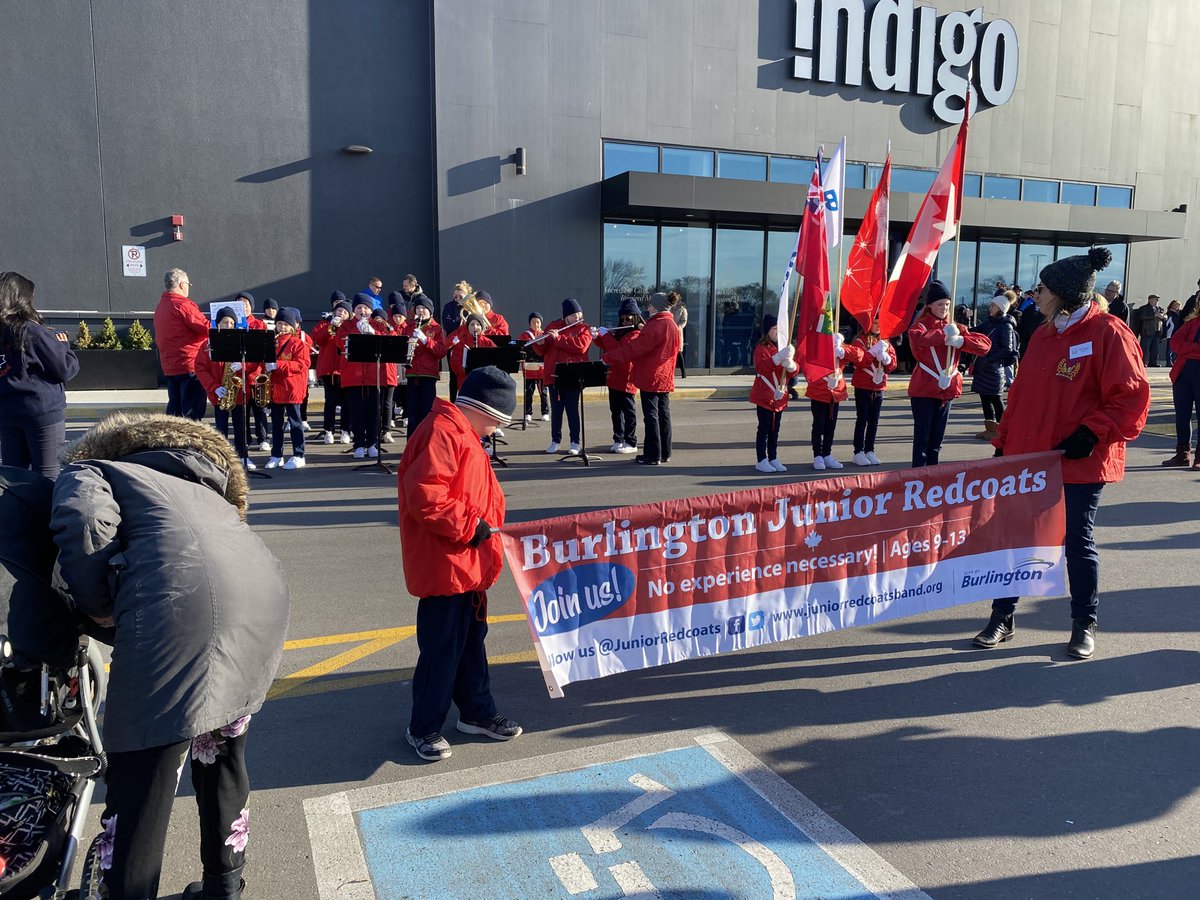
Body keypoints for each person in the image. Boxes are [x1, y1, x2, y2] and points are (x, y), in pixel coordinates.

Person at [50, 411, 290, 899]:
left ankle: (125, 892)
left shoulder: (94, 468)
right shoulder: (206, 489)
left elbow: (83, 520)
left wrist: (98, 608)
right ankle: (224, 887)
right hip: (262, 606)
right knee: (220, 750)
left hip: (177, 612)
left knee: (143, 773)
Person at [974, 246, 1150, 659]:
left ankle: (1084, 621)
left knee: (1076, 541)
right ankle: (1003, 616)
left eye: (1044, 288)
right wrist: (1004, 445)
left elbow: (1131, 396)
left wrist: (1093, 432)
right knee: (1017, 538)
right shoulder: (1043, 333)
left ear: (1066, 294)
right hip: (1030, 461)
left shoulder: (1109, 332)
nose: (1037, 294)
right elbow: (1019, 398)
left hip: (1080, 462)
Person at [397, 366, 522, 762]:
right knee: (441, 650)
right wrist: (473, 528)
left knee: (470, 645)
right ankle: (423, 727)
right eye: (496, 422)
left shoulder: (458, 431)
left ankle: (477, 713)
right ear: (481, 410)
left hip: (465, 562)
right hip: (447, 563)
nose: (495, 431)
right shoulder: (443, 432)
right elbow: (426, 498)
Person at [0, 271, 79, 479]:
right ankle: (44, 513)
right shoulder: (30, 331)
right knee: (47, 475)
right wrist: (63, 344)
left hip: (7, 412)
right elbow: (65, 368)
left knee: (11, 476)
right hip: (41, 413)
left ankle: (14, 511)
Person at [907, 280, 991, 467]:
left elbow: (985, 346)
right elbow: (918, 339)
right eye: (940, 304)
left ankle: (934, 475)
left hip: (946, 390)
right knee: (922, 438)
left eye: (947, 304)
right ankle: (918, 475)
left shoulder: (956, 328)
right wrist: (943, 335)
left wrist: (962, 341)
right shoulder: (921, 325)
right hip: (924, 389)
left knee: (937, 440)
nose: (944, 308)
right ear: (929, 305)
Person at [601, 292, 681, 466]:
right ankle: (665, 452)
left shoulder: (656, 325)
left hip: (651, 376)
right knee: (663, 415)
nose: (648, 307)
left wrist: (608, 357)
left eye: (651, 304)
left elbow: (634, 349)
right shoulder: (672, 325)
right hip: (665, 376)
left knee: (651, 416)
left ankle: (652, 454)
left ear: (657, 306)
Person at [195, 306, 258, 469]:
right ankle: (221, 460)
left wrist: (244, 365)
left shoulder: (241, 341)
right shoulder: (208, 343)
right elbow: (200, 368)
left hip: (238, 391)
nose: (228, 325)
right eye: (224, 322)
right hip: (219, 392)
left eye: (231, 322)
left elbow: (256, 363)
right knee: (221, 429)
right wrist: (214, 387)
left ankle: (243, 456)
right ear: (218, 324)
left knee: (241, 428)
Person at [337, 295, 392, 458]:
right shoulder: (345, 326)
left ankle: (373, 443)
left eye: (365, 308)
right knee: (357, 412)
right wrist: (357, 331)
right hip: (353, 377)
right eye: (359, 307)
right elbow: (339, 343)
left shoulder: (379, 325)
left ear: (371, 310)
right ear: (353, 310)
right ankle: (359, 444)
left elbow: (390, 341)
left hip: (375, 377)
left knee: (374, 412)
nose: (362, 311)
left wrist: (373, 332)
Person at [154, 268, 211, 420]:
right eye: (188, 284)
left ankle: (172, 442)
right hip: (189, 365)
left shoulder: (161, 306)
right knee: (191, 413)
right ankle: (188, 443)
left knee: (175, 411)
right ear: (181, 284)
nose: (188, 287)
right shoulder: (182, 305)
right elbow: (206, 328)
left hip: (170, 366)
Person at [538, 298, 592, 455]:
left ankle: (575, 442)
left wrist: (559, 339)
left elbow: (581, 347)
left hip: (573, 375)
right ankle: (555, 441)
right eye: (574, 315)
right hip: (554, 375)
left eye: (579, 314)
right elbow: (542, 351)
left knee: (572, 409)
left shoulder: (584, 328)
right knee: (556, 410)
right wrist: (539, 343)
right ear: (566, 316)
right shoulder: (553, 326)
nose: (577, 318)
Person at [844, 315, 896, 466]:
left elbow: (893, 365)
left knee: (874, 421)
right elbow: (858, 361)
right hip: (864, 385)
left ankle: (869, 450)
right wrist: (872, 353)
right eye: (874, 322)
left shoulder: (885, 341)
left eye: (880, 323)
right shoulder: (859, 341)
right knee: (862, 420)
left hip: (878, 386)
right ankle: (858, 451)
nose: (877, 326)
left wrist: (886, 359)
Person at [593, 298, 644, 454]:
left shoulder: (636, 334)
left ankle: (631, 441)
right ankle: (618, 438)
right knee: (615, 410)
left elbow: (619, 350)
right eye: (622, 317)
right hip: (614, 376)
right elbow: (609, 349)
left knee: (628, 411)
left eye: (628, 317)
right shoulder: (621, 332)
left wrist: (606, 336)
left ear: (635, 317)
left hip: (627, 377)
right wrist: (598, 338)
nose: (625, 320)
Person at [748, 314, 797, 472]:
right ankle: (761, 459)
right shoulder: (761, 349)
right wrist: (777, 358)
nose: (777, 332)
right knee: (764, 428)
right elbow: (762, 367)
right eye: (774, 329)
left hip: (779, 396)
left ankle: (773, 457)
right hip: (765, 395)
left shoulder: (783, 348)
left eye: (778, 329)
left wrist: (791, 366)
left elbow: (792, 373)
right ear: (767, 331)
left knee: (775, 430)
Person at [264, 308, 309, 469]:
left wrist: (279, 365)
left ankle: (299, 455)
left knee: (295, 423)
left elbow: (303, 364)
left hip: (291, 389)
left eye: (285, 324)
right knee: (276, 424)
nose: (282, 327)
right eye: (279, 323)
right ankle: (277, 455)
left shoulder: (298, 343)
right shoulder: (271, 343)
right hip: (276, 389)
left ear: (292, 327)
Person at [971, 293, 1020, 441]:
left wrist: (990, 359)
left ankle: (1002, 430)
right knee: (984, 399)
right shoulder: (990, 323)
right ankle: (990, 429)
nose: (990, 307)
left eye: (993, 305)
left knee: (996, 399)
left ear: (1000, 308)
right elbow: (974, 331)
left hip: (994, 369)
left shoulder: (1005, 326)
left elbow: (1007, 349)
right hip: (983, 368)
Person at [401, 295, 446, 437]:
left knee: (427, 410)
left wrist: (426, 340)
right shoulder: (409, 327)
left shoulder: (437, 329)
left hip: (428, 374)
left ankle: (426, 443)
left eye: (423, 308)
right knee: (412, 410)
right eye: (418, 308)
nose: (420, 311)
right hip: (412, 373)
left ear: (430, 312)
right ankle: (412, 444)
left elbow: (441, 352)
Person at [1162, 302, 1200, 469]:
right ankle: (1182, 453)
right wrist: (1194, 348)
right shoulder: (1192, 322)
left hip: (1193, 372)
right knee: (1182, 416)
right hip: (1183, 374)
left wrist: (1187, 349)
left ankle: (1199, 457)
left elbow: (1180, 345)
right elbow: (1175, 343)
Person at [804, 335, 849, 471]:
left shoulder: (839, 346)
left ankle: (827, 454)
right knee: (818, 425)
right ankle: (817, 455)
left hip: (835, 393)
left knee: (831, 425)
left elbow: (858, 356)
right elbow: (808, 365)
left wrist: (843, 350)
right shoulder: (817, 347)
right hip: (819, 392)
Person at [313, 300, 351, 444]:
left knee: (347, 402)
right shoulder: (324, 324)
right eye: (339, 311)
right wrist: (330, 327)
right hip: (328, 370)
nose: (341, 314)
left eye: (344, 312)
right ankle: (328, 430)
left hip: (345, 369)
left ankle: (345, 430)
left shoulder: (349, 326)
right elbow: (318, 340)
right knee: (330, 401)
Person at [518, 312, 550, 423]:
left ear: (541, 323)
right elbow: (520, 349)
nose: (535, 324)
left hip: (542, 369)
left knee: (544, 392)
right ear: (529, 324)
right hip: (529, 369)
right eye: (533, 322)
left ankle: (545, 412)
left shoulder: (544, 334)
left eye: (537, 322)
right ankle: (528, 413)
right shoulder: (524, 335)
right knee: (528, 392)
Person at [1135, 294, 1167, 366]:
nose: (1157, 301)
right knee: (1145, 348)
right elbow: (1142, 317)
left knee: (1155, 349)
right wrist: (1154, 316)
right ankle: (1142, 362)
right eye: (1155, 299)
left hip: (1157, 331)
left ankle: (1153, 363)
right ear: (1150, 300)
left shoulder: (1160, 309)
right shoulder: (1144, 308)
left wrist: (1162, 317)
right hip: (1147, 331)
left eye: (1158, 300)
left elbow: (1165, 318)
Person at [671, 292, 688, 378]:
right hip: (669, 331)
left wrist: (678, 327)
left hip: (677, 332)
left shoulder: (682, 309)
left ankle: (683, 371)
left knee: (678, 352)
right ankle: (670, 372)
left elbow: (684, 321)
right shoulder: (669, 308)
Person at [1164, 299, 1183, 366]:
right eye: (1175, 305)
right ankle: (1169, 362)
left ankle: (1174, 361)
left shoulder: (1180, 314)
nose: (1176, 306)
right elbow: (1167, 324)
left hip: (1179, 333)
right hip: (1171, 333)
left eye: (1178, 305)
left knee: (1176, 348)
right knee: (1170, 348)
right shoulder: (1169, 313)